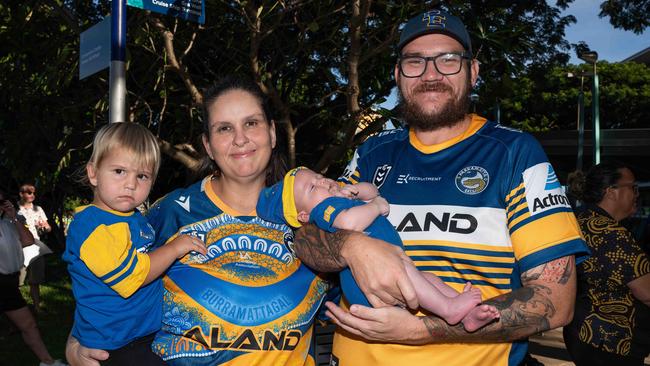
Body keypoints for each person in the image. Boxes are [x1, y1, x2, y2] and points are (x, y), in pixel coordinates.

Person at [291, 9, 591, 366]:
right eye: (415, 61)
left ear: (473, 71)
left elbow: (555, 303)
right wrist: (352, 245)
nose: (431, 75)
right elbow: (304, 237)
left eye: (448, 60)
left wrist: (420, 331)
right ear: (398, 74)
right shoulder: (372, 153)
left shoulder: (514, 153)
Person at [66, 77, 329, 366]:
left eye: (251, 123)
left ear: (272, 133)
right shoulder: (169, 212)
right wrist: (75, 343)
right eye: (225, 128)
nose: (240, 139)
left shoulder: (312, 212)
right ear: (208, 144)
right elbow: (100, 278)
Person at [257, 166, 500, 332]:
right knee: (411, 274)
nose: (322, 181)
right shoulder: (323, 211)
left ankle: (465, 313)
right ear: (303, 214)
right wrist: (376, 207)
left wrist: (357, 192)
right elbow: (349, 223)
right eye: (312, 188)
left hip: (392, 267)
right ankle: (448, 309)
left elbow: (373, 190)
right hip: (365, 285)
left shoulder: (339, 197)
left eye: (318, 176)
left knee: (427, 278)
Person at [62, 122, 207, 365]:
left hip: (137, 335)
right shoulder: (95, 227)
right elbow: (133, 277)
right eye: (119, 171)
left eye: (142, 176)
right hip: (117, 345)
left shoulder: (133, 218)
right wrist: (174, 248)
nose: (131, 184)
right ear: (93, 173)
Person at [563, 162, 650, 366]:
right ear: (611, 191)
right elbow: (646, 292)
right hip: (611, 341)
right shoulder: (610, 233)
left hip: (584, 333)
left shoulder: (582, 220)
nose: (636, 194)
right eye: (633, 187)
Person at [0, 189, 67, 366]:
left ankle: (48, 362)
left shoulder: (10, 222)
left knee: (29, 325)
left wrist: (14, 217)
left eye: (2, 201)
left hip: (9, 283)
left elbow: (28, 241)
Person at [17, 183, 52, 311]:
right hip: (18, 247)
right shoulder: (14, 209)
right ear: (22, 194)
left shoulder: (38, 209)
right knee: (17, 281)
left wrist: (45, 227)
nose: (32, 195)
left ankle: (37, 307)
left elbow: (48, 228)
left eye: (33, 193)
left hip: (36, 247)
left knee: (35, 280)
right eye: (29, 193)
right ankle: (18, 309)